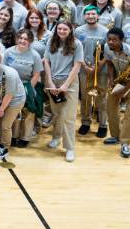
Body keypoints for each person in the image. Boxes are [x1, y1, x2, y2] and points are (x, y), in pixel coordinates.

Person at [43, 21, 84, 162]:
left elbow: (77, 66)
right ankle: (56, 137)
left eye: (65, 29)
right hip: (53, 82)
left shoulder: (77, 44)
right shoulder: (51, 41)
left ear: (70, 30)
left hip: (69, 83)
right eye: (59, 28)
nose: (61, 31)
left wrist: (66, 85)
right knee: (57, 113)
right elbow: (46, 61)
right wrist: (49, 81)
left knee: (68, 117)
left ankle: (69, 148)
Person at [101, 28, 130, 158]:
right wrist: (111, 80)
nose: (111, 42)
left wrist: (124, 91)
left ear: (121, 40)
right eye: (109, 39)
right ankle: (116, 136)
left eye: (114, 40)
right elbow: (109, 63)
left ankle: (125, 143)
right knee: (110, 107)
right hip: (119, 78)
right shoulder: (107, 47)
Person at [4, 29, 44, 148]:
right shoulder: (8, 52)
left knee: (28, 112)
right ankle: (13, 136)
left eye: (26, 39)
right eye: (20, 38)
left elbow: (36, 74)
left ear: (30, 41)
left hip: (28, 85)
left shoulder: (35, 55)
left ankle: (25, 137)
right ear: (17, 39)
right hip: (11, 85)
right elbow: (3, 70)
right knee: (14, 112)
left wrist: (27, 90)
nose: (22, 41)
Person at [75, 5, 109, 137]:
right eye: (88, 14)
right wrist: (85, 66)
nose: (91, 16)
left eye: (93, 14)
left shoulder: (105, 31)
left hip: (101, 70)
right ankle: (85, 122)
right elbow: (76, 51)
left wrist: (97, 67)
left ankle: (103, 125)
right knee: (85, 97)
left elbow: (108, 53)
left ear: (98, 16)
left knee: (102, 98)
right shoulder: (78, 31)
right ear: (84, 16)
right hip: (84, 69)